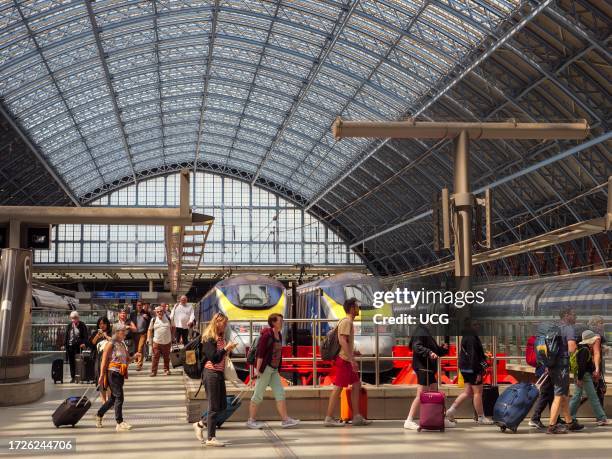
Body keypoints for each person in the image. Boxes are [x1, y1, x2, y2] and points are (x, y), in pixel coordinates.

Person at [323, 298, 372, 427]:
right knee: (337, 388)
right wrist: (351, 360)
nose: (358, 309)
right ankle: (328, 417)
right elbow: (342, 341)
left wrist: (353, 352)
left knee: (356, 385)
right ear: (351, 308)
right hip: (344, 361)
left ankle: (356, 416)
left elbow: (346, 342)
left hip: (347, 360)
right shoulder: (346, 322)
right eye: (356, 306)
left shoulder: (347, 322)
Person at [247, 313, 299, 429]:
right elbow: (260, 355)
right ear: (274, 322)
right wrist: (258, 371)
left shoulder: (279, 335)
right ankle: (251, 420)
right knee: (258, 395)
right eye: (280, 321)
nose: (282, 323)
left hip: (274, 370)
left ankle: (285, 420)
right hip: (265, 369)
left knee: (280, 393)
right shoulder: (266, 336)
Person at [192, 313, 237, 447]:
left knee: (222, 405)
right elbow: (214, 357)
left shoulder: (220, 337)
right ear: (216, 323)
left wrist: (229, 350)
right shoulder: (209, 338)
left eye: (226, 323)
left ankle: (200, 424)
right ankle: (211, 438)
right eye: (224, 323)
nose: (225, 326)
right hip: (210, 373)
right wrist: (225, 349)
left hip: (218, 373)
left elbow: (221, 356)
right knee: (213, 406)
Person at [404, 324, 455, 430]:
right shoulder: (421, 332)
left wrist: (442, 349)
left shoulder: (426, 332)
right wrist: (429, 352)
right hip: (423, 368)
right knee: (421, 394)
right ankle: (409, 420)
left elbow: (434, 351)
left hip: (428, 369)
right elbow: (417, 346)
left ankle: (439, 419)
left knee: (434, 391)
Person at [446, 319, 494, 425]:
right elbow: (473, 356)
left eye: (478, 324)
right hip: (472, 369)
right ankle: (481, 417)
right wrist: (478, 372)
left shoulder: (466, 336)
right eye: (475, 324)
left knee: (467, 392)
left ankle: (450, 411)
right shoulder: (472, 337)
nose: (477, 326)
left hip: (465, 368)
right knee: (478, 392)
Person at [95, 323, 141, 432]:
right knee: (119, 397)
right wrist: (101, 375)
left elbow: (127, 360)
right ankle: (119, 422)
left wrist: (134, 356)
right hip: (112, 372)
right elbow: (104, 361)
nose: (125, 333)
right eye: (123, 331)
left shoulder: (122, 344)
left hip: (120, 372)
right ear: (117, 332)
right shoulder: (110, 344)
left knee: (113, 399)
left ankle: (99, 414)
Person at [546, 308, 584, 434]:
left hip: (553, 365)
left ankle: (569, 423)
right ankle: (552, 426)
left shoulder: (554, 327)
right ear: (567, 315)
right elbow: (572, 348)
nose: (576, 317)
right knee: (558, 396)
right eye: (574, 314)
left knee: (564, 395)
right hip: (561, 367)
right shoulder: (568, 328)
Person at [569, 330, 609, 426]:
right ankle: (601, 418)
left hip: (582, 375)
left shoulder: (581, 348)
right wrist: (580, 378)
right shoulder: (585, 350)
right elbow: (582, 366)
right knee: (593, 397)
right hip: (584, 376)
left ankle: (569, 417)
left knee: (577, 396)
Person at [528, 324, 555, 430]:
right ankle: (535, 418)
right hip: (544, 371)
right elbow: (542, 355)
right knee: (545, 395)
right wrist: (547, 366)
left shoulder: (542, 339)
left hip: (545, 370)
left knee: (551, 395)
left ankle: (555, 418)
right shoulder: (541, 340)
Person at [62, 311, 89, 383]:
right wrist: (64, 345)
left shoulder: (82, 325)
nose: (73, 320)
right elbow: (66, 336)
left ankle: (79, 377)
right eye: (72, 318)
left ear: (78, 318)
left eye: (74, 318)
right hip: (70, 346)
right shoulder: (69, 325)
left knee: (78, 362)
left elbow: (85, 336)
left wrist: (84, 343)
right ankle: (73, 377)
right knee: (71, 362)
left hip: (78, 347)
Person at [147, 306, 174, 377]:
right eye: (158, 312)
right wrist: (148, 339)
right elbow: (149, 330)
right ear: (155, 312)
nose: (159, 313)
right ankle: (153, 372)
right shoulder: (153, 319)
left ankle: (167, 370)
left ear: (163, 311)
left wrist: (172, 336)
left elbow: (173, 327)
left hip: (167, 342)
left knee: (166, 357)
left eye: (161, 311)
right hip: (156, 342)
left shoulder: (169, 318)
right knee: (155, 357)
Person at [91, 317, 112, 403]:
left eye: (103, 323)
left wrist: (105, 335)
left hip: (109, 359)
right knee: (100, 378)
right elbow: (91, 343)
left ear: (107, 324)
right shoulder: (96, 333)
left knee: (109, 379)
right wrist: (97, 336)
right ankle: (103, 400)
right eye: (100, 324)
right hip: (98, 358)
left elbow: (113, 341)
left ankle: (110, 399)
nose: (102, 325)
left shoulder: (111, 332)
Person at [587, 316, 607, 406]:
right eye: (601, 323)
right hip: (594, 365)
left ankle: (601, 415)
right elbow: (595, 352)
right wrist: (597, 369)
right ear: (595, 324)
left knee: (600, 389)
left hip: (598, 364)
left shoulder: (600, 334)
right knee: (599, 389)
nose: (603, 325)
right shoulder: (594, 335)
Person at [130, 301, 151, 371]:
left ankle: (139, 365)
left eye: (140, 305)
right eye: (138, 305)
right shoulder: (133, 313)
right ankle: (137, 360)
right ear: (136, 306)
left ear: (142, 306)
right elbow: (130, 322)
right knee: (136, 348)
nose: (139, 306)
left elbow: (151, 322)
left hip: (143, 333)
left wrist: (147, 318)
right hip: (135, 334)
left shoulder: (146, 313)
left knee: (140, 348)